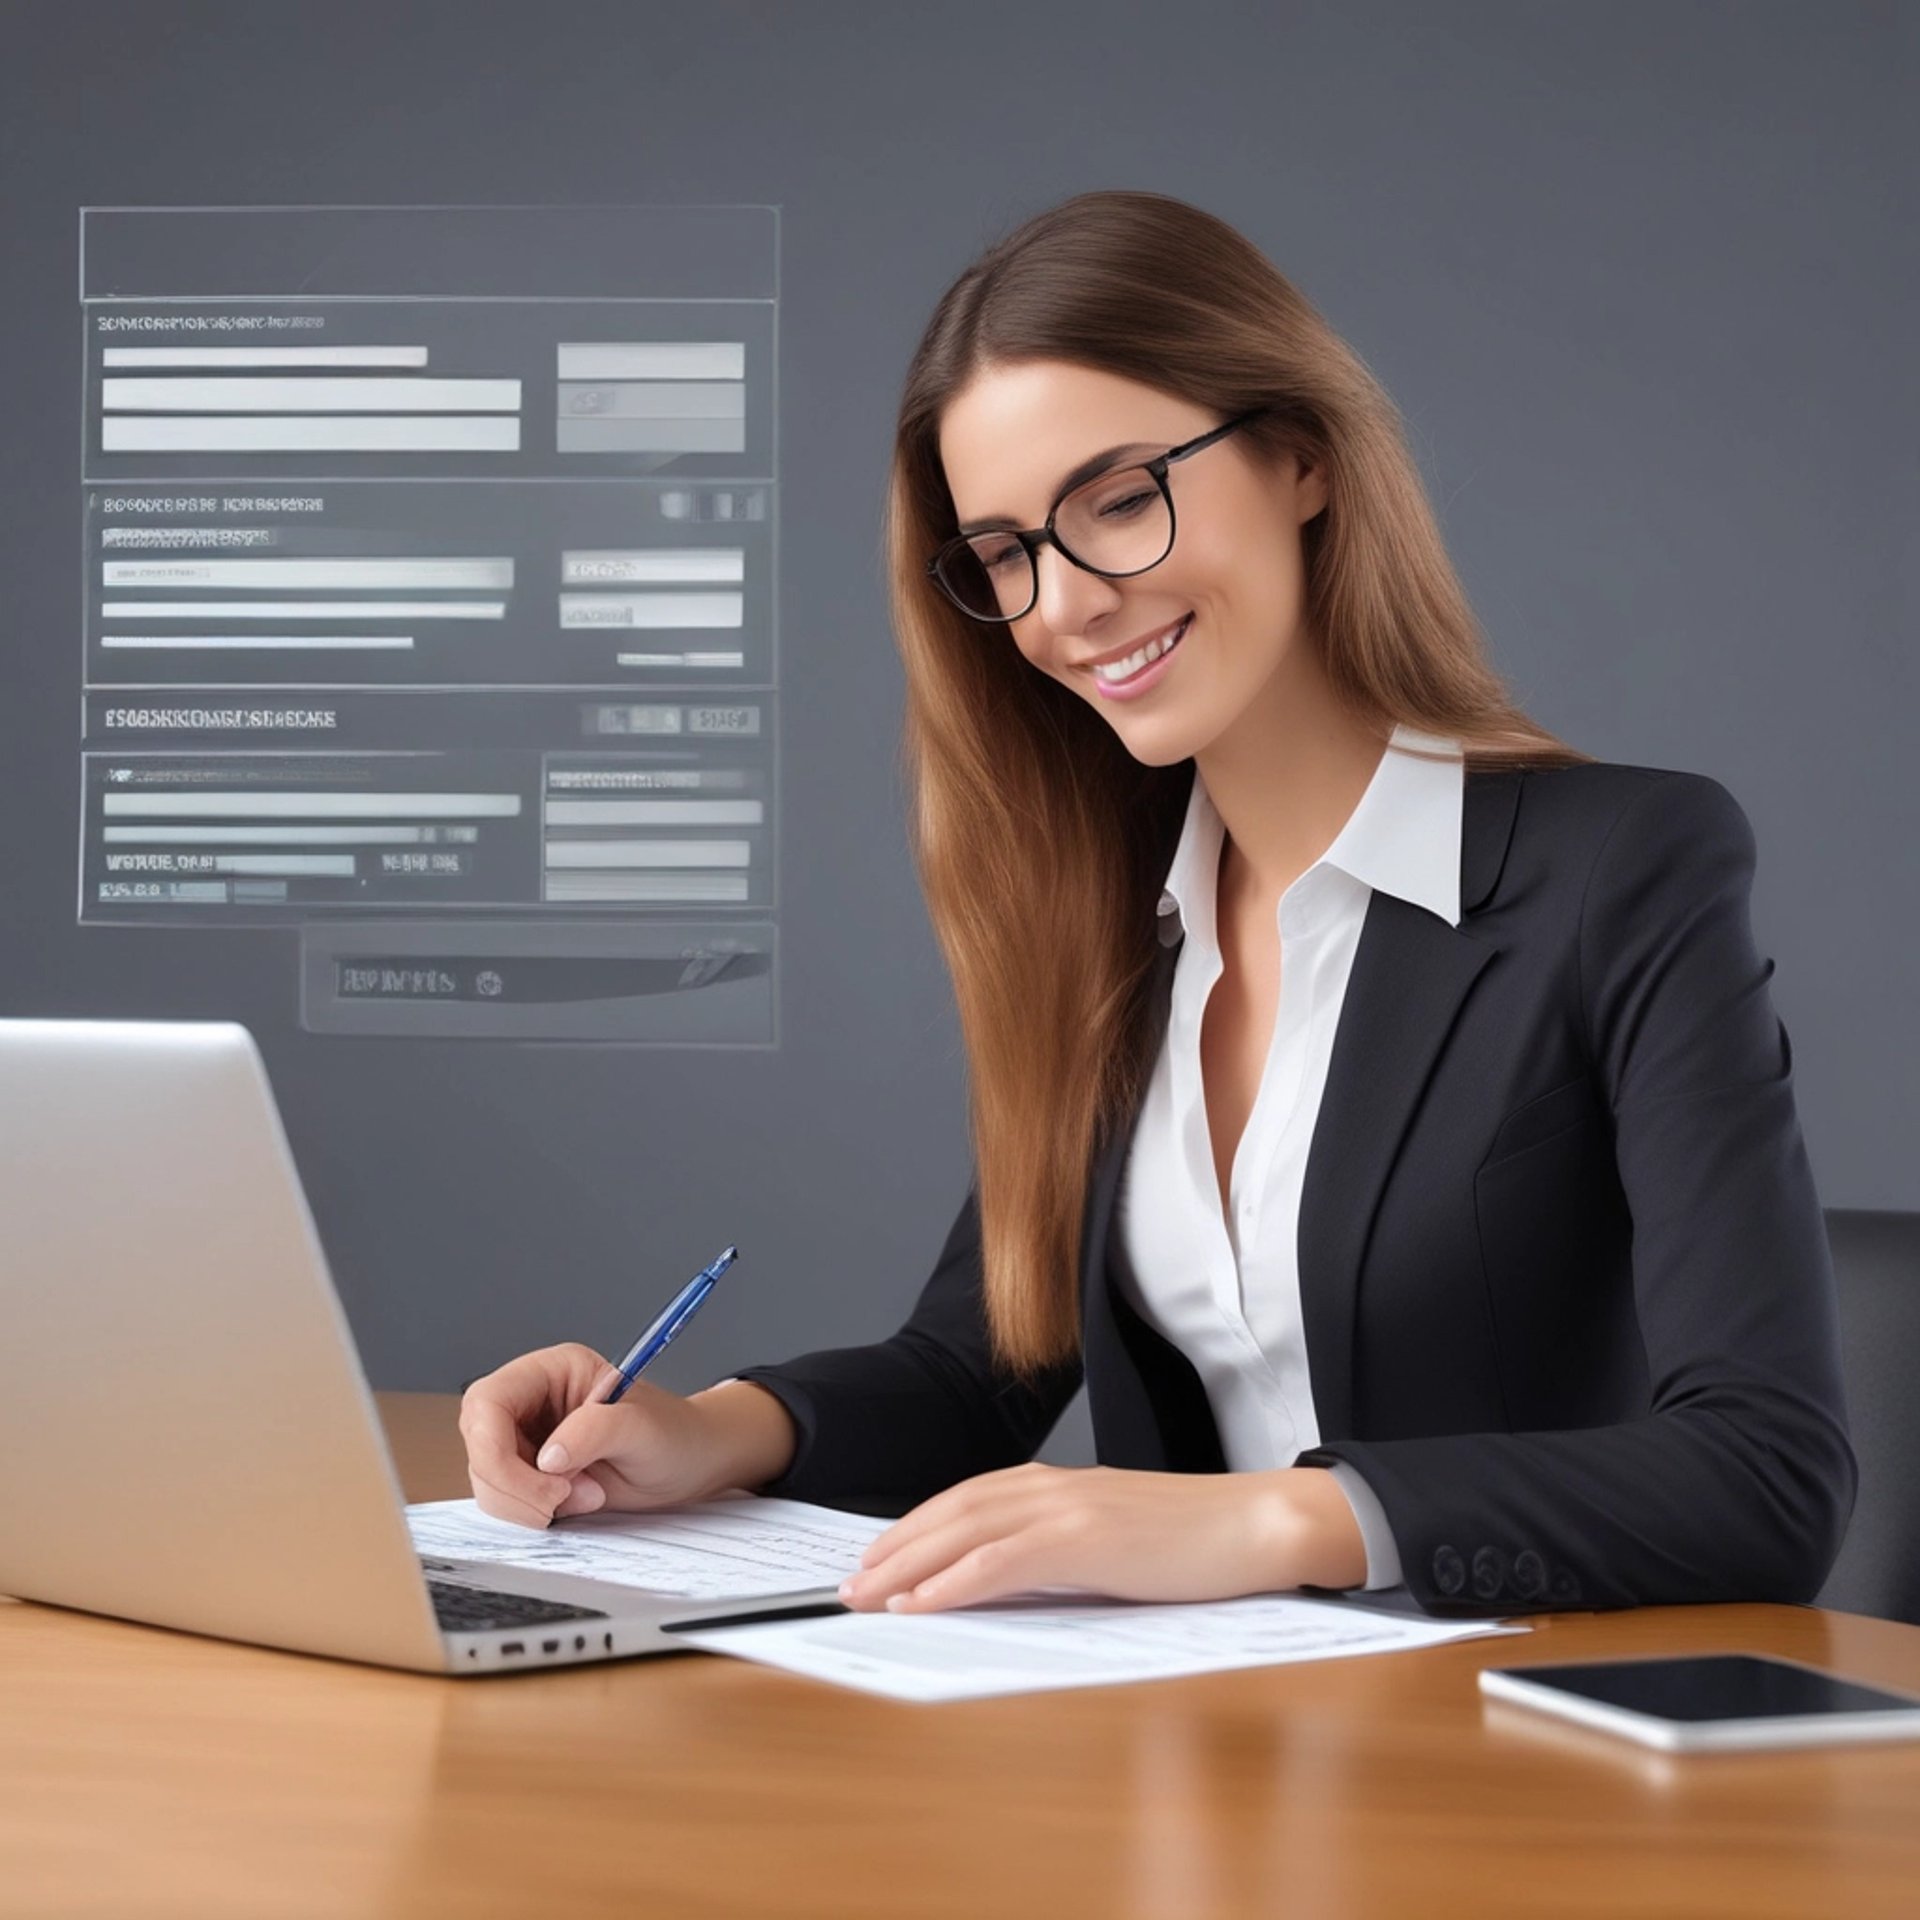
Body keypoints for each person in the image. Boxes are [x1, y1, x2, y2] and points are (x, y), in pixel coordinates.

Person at [459, 190, 1855, 1619]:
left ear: (1300, 457)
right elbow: (976, 1367)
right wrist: (701, 1435)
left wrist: (1263, 1524)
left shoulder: (1623, 866)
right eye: (1004, 553)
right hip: (1206, 1754)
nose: (1064, 606)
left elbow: (1765, 1476)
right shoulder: (1122, 918)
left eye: (1118, 499)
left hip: (1513, 1753)